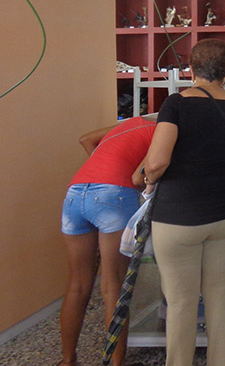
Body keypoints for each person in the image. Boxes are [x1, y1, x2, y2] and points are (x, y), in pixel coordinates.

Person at [142, 39, 225, 366]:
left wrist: (148, 180)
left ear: (190, 69)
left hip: (178, 217)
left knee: (181, 303)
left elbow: (156, 162)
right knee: (221, 298)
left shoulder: (176, 104)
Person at [58, 115, 157, 366]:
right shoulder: (162, 131)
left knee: (77, 284)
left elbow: (86, 139)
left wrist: (101, 168)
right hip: (114, 195)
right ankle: (116, 364)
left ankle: (68, 360)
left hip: (76, 192)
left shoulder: (132, 123)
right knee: (113, 286)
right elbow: (140, 176)